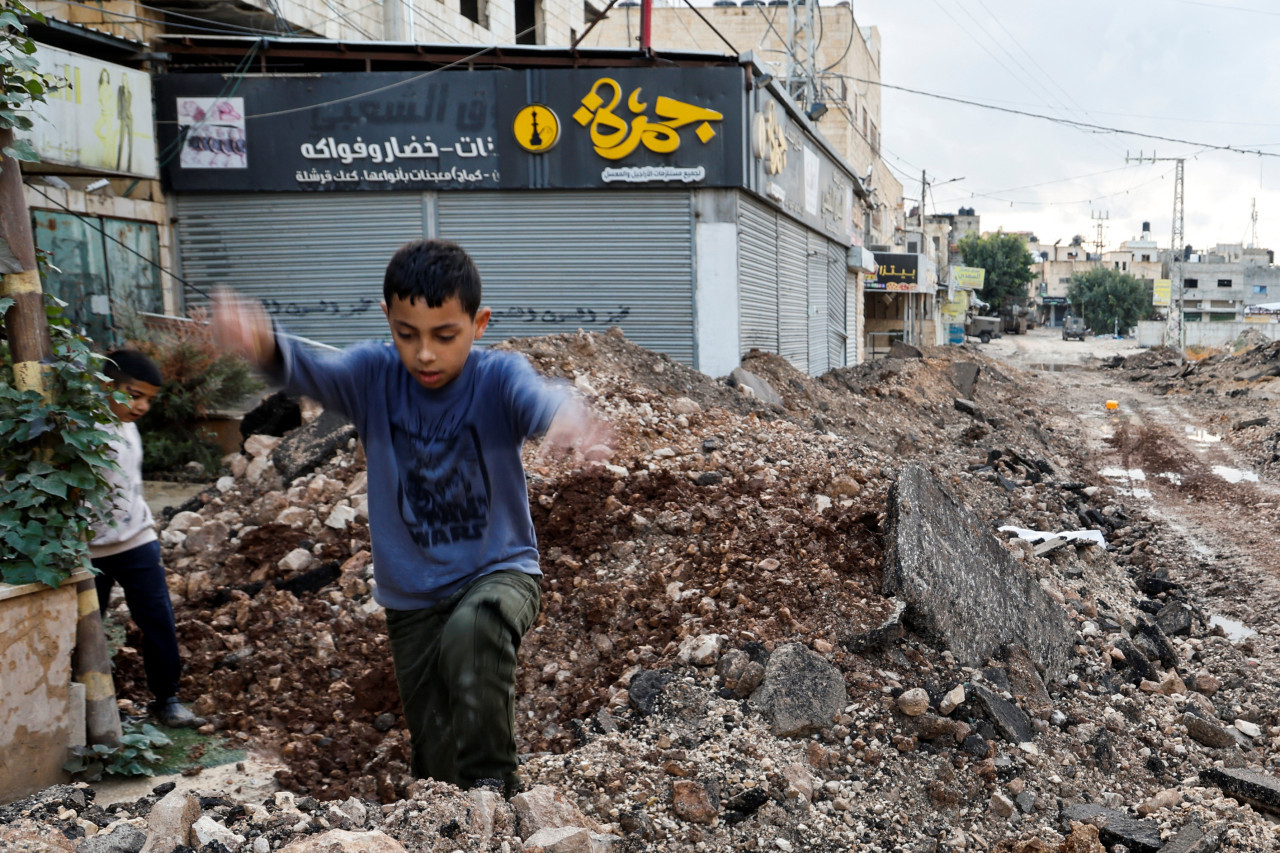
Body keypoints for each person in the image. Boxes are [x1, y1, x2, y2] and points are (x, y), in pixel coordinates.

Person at [213, 239, 610, 796]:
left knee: (476, 631)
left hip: (500, 570)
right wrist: (265, 345)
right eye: (407, 334)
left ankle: (494, 790)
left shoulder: (497, 378)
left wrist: (565, 416)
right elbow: (308, 369)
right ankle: (447, 813)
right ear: (388, 321)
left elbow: (538, 397)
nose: (424, 354)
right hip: (413, 599)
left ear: (478, 324)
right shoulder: (373, 375)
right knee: (435, 754)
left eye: (444, 335)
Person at [91, 350, 203, 728]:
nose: (141, 406)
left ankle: (167, 699)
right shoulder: (81, 431)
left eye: (149, 400)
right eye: (133, 394)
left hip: (137, 540)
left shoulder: (128, 426)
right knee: (86, 631)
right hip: (87, 553)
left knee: (158, 620)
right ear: (107, 386)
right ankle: (86, 708)